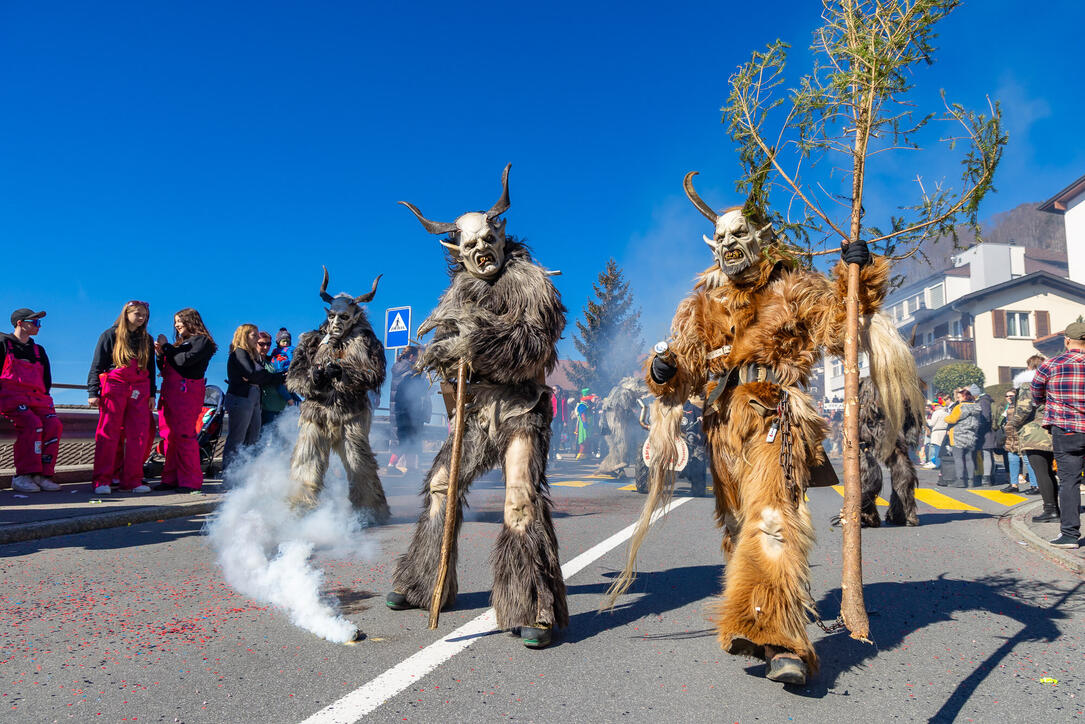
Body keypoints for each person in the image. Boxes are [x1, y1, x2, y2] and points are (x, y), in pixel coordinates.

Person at [88, 300, 156, 494]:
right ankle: (102, 480)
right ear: (126, 314)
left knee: (138, 435)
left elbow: (151, 369)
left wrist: (152, 393)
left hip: (140, 389)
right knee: (108, 434)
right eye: (138, 314)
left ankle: (132, 480)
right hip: (115, 387)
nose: (142, 318)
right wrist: (93, 392)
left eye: (145, 315)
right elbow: (97, 365)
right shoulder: (110, 335)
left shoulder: (147, 339)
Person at [1030, 323, 1085, 548]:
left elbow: (1036, 392)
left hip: (1066, 429)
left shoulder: (1051, 365)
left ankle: (1070, 535)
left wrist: (1049, 403)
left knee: (1069, 481)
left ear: (1067, 341)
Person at [0, 308, 62, 492]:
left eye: (39, 323)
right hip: (11, 398)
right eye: (34, 322)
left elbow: (46, 380)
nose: (38, 326)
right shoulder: (3, 343)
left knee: (54, 425)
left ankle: (42, 475)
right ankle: (23, 476)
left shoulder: (38, 350)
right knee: (32, 424)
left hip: (37, 399)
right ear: (20, 323)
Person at [155, 308, 216, 491]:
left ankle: (190, 481)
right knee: (170, 436)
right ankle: (170, 478)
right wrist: (160, 354)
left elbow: (183, 361)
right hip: (170, 391)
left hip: (186, 391)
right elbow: (168, 364)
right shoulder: (179, 343)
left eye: (179, 321)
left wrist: (166, 347)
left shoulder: (202, 341)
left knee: (184, 435)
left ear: (191, 320)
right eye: (175, 322)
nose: (176, 325)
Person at [222, 323, 285, 472]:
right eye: (254, 335)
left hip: (253, 396)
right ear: (244, 336)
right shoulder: (239, 352)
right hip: (241, 397)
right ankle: (229, 472)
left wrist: (259, 377)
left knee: (253, 437)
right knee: (237, 437)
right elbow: (253, 374)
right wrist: (258, 377)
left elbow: (257, 376)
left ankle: (245, 473)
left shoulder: (252, 356)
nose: (257, 338)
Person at [1011, 355, 1056, 521]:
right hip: (1055, 429)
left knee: (1042, 471)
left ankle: (1051, 509)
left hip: (1035, 432)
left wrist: (1012, 424)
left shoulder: (1028, 384)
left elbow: (1023, 410)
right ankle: (1057, 508)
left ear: (1029, 368)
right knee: (1054, 472)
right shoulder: (1053, 382)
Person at [388, 345, 430, 475]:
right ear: (411, 356)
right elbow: (417, 389)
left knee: (409, 440)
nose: (419, 359)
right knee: (406, 440)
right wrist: (427, 384)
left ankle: (411, 469)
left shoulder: (399, 367)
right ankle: (391, 466)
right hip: (406, 411)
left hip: (400, 410)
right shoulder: (410, 371)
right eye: (418, 357)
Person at [941, 388, 980, 488]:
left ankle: (960, 480)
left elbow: (952, 419)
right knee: (969, 458)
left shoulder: (959, 407)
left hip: (958, 436)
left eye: (959, 397)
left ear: (965, 396)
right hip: (971, 436)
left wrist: (946, 417)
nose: (957, 399)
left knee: (958, 458)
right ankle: (971, 481)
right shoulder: (976, 407)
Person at [971, 383, 997, 485]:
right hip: (987, 432)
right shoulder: (986, 400)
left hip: (985, 433)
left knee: (986, 454)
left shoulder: (983, 401)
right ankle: (989, 476)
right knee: (987, 454)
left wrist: (977, 428)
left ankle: (987, 478)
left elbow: (985, 417)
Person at [923, 401, 948, 470]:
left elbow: (932, 424)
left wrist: (927, 420)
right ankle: (942, 464)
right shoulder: (946, 413)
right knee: (942, 450)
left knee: (937, 450)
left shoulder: (936, 413)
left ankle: (938, 464)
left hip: (937, 433)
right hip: (944, 432)